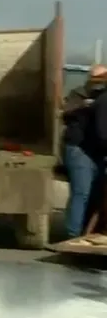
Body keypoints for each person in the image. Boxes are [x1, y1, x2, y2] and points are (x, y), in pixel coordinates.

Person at [62, 64, 107, 238]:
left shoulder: (100, 99)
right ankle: (73, 235)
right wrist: (83, 107)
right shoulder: (79, 95)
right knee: (82, 192)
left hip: (95, 150)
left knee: (96, 193)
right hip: (80, 149)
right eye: (96, 78)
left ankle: (88, 231)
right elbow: (103, 133)